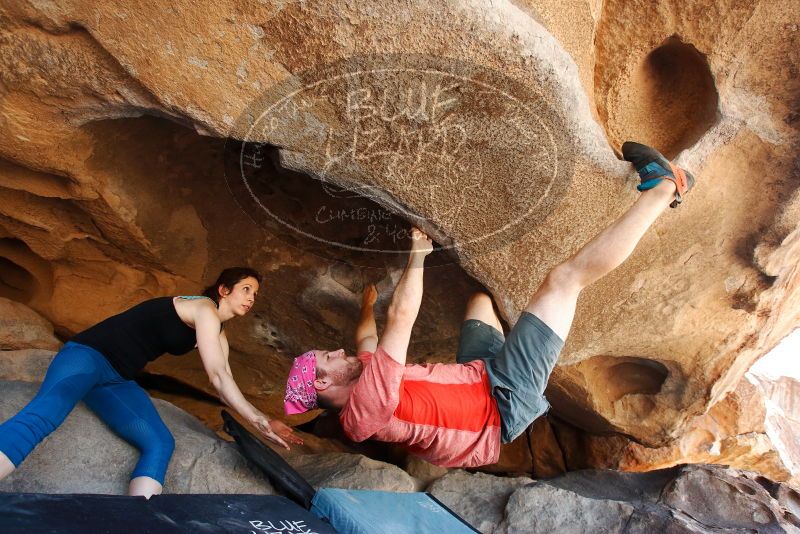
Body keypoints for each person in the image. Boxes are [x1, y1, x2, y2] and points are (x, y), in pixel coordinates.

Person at [283, 142, 695, 467]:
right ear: (322, 383)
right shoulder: (363, 409)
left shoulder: (360, 375)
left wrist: (366, 300)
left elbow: (367, 336)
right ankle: (664, 187)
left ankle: (531, 338)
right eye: (327, 356)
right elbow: (401, 318)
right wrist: (418, 253)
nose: (338, 352)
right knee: (563, 282)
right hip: (501, 406)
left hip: (479, 376)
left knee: (481, 300)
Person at [0, 267, 302, 497]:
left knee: (159, 443)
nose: (251, 298)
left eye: (255, 295)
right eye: (246, 289)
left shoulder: (217, 332)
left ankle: (138, 519)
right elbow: (218, 377)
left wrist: (264, 423)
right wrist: (261, 419)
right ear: (224, 289)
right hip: (87, 357)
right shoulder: (203, 308)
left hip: (116, 381)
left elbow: (225, 385)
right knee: (44, 416)